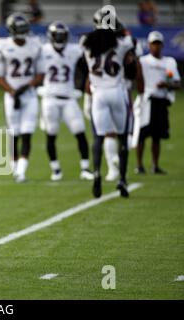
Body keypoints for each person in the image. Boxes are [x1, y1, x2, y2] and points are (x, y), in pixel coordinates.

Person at [81, 8, 140, 198]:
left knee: (98, 137)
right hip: (117, 91)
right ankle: (122, 178)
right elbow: (129, 41)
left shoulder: (86, 43)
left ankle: (97, 173)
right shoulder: (122, 43)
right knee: (122, 137)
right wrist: (117, 29)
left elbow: (92, 42)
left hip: (98, 93)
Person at [38, 21, 94, 181]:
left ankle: (85, 168)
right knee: (51, 134)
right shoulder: (43, 51)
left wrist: (80, 85)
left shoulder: (74, 50)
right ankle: (55, 169)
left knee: (80, 132)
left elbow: (85, 66)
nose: (60, 38)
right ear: (51, 36)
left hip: (69, 98)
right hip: (50, 99)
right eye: (57, 35)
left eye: (62, 36)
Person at [0, 12, 43, 183]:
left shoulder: (35, 44)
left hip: (29, 94)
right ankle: (14, 166)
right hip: (11, 94)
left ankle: (21, 171)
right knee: (14, 132)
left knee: (27, 132)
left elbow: (41, 74)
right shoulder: (2, 45)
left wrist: (26, 87)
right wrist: (13, 91)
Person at [134, 31, 181, 174]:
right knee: (141, 134)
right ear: (149, 45)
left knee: (157, 136)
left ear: (162, 45)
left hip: (161, 101)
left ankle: (155, 165)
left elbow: (177, 83)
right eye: (154, 44)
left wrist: (166, 85)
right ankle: (139, 165)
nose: (156, 47)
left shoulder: (169, 62)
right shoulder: (143, 61)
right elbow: (136, 78)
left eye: (158, 44)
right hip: (147, 100)